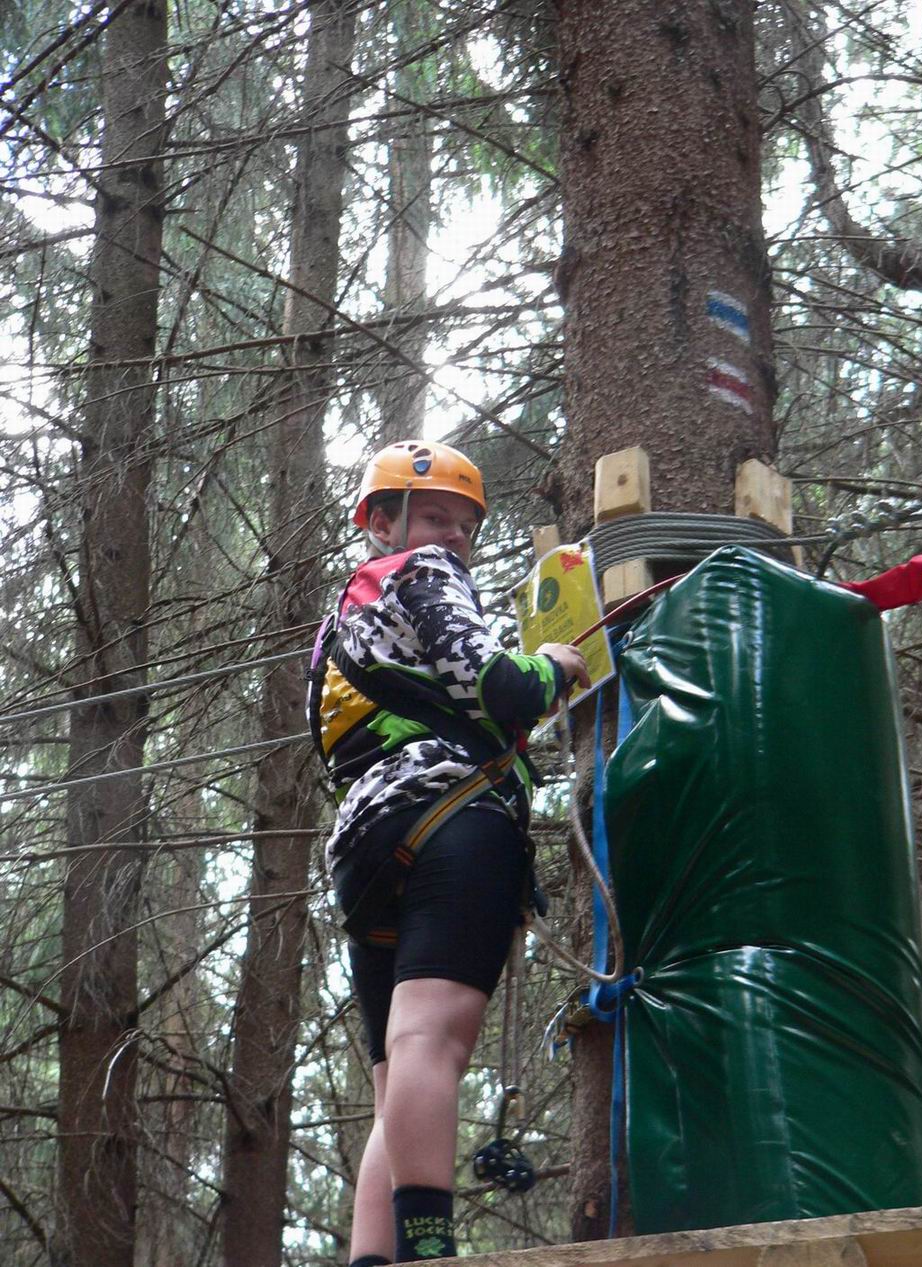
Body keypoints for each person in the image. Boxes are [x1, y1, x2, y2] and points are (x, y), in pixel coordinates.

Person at [315, 439, 589, 1266]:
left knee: (397, 1076)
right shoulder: (425, 572)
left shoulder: (342, 624)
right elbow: (499, 685)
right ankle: (429, 1248)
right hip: (451, 815)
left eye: (465, 525)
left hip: (362, 848)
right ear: (381, 521)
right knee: (431, 1040)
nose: (453, 536)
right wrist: (554, 666)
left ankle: (374, 1257)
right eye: (435, 516)